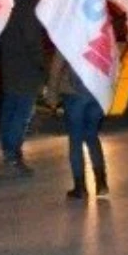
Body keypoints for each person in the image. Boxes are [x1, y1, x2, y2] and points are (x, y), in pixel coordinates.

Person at [0, 0, 47, 176]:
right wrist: (42, 65)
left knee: (9, 108)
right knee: (22, 113)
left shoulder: (5, 0)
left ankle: (7, 149)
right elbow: (32, 39)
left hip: (7, 62)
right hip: (26, 67)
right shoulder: (31, 3)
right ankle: (13, 154)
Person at [47, 54, 109, 200]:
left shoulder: (70, 34)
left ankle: (80, 188)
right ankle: (101, 183)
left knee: (75, 140)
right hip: (96, 92)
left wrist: (52, 97)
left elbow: (56, 68)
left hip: (74, 93)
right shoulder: (100, 31)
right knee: (92, 136)